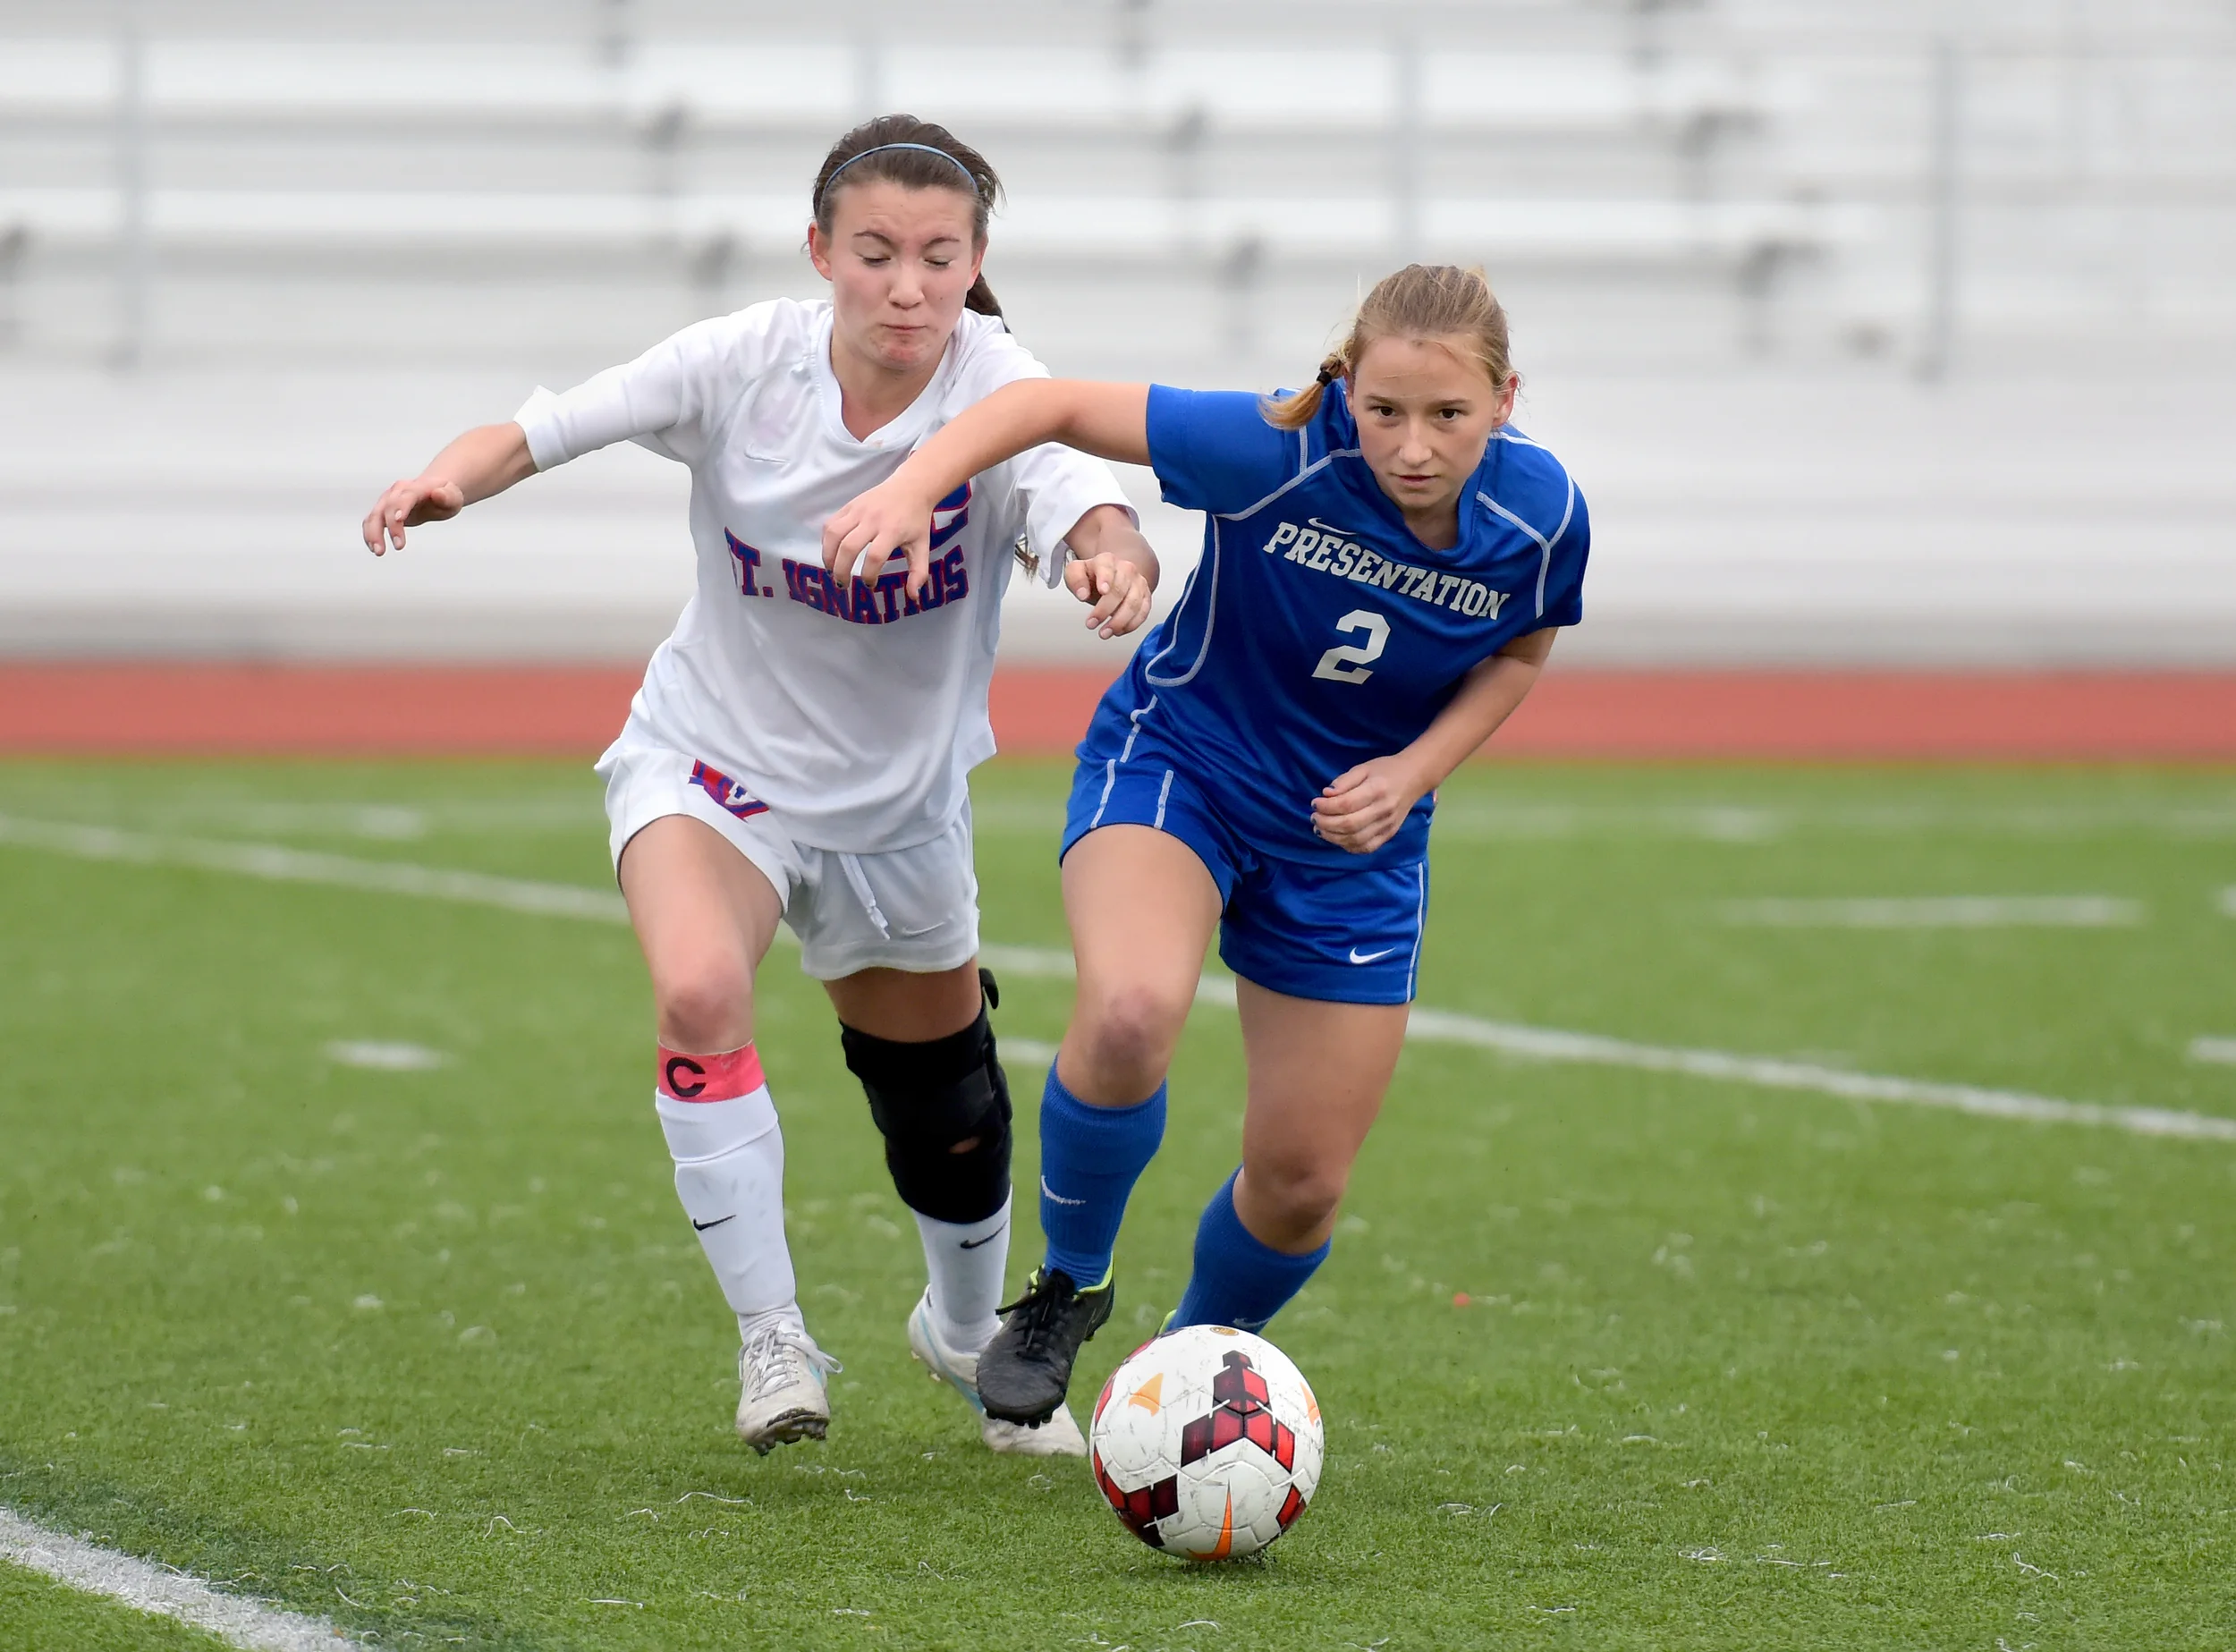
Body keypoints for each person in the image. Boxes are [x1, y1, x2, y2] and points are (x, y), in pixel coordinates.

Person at [359, 115, 1159, 1456]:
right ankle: (773, 1339)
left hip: (897, 810)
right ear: (820, 252)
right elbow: (550, 425)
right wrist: (451, 475)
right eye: (875, 253)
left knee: (946, 1116)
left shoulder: (999, 384)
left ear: (974, 263)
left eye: (938, 256)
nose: (906, 285)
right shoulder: (743, 360)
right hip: (709, 762)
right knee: (697, 990)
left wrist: (1110, 553)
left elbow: (1090, 496)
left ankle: (966, 1333)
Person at [823, 263, 1587, 1424]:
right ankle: (1067, 1286)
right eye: (1384, 410)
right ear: (1346, 389)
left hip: (1352, 845)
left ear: (1506, 399)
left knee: (1300, 1185)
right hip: (1184, 764)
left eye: (1449, 415)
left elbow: (1521, 650)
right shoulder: (1276, 445)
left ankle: (1178, 1373)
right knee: (1129, 1012)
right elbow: (1045, 407)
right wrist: (908, 487)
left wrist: (1415, 772)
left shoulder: (1542, 517)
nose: (1413, 445)